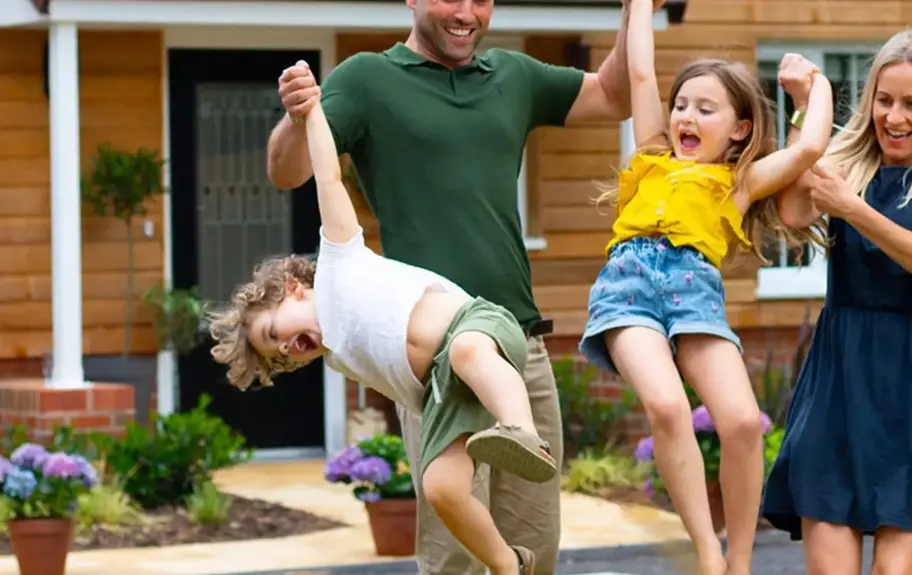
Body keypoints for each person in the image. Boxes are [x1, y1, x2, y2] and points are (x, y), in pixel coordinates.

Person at [266, 0, 636, 572]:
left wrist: (636, 9)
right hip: (436, 364)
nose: (467, 12)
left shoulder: (514, 76)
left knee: (533, 554)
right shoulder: (368, 79)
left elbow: (615, 94)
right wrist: (297, 115)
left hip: (520, 351)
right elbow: (287, 171)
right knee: (456, 560)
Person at [208, 98, 561, 575]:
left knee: (466, 351)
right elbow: (402, 387)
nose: (288, 348)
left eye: (276, 332)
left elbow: (329, 179)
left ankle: (522, 431)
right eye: (281, 356)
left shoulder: (338, 262)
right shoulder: (339, 358)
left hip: (478, 327)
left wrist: (312, 113)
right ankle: (509, 563)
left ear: (293, 291)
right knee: (441, 488)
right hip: (443, 395)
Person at [577, 1, 833, 573]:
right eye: (682, 106)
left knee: (743, 422)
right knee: (667, 406)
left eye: (705, 109)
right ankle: (706, 553)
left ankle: (739, 561)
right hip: (629, 288)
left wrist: (814, 86)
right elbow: (641, 74)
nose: (685, 117)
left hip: (694, 294)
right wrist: (639, 5)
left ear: (739, 128)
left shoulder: (740, 181)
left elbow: (809, 148)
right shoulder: (650, 155)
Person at [763, 29, 912, 575]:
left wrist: (853, 209)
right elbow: (793, 214)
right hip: (838, 382)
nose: (893, 116)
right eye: (884, 99)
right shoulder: (850, 158)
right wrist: (806, 109)